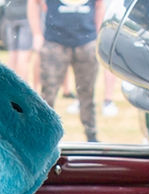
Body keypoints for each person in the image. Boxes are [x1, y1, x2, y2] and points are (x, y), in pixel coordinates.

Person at [28, 0, 102, 143]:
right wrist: (37, 33)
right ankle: (43, 137)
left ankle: (91, 135)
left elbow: (99, 5)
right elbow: (33, 3)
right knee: (47, 95)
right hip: (55, 42)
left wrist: (98, 33)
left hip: (86, 42)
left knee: (87, 93)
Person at [2, 0, 36, 89]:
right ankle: (22, 87)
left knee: (12, 54)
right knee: (24, 56)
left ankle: (10, 85)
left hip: (10, 15)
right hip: (26, 15)